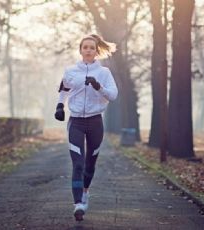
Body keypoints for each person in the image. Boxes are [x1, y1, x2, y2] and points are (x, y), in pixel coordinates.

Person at [54, 34, 118, 221]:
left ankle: (85, 192)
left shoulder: (104, 73)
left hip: (95, 122)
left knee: (90, 163)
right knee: (78, 163)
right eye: (85, 47)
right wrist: (59, 106)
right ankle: (78, 204)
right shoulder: (71, 71)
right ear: (80, 50)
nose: (88, 50)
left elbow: (113, 95)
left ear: (96, 51)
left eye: (91, 47)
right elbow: (64, 89)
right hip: (76, 122)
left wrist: (98, 87)